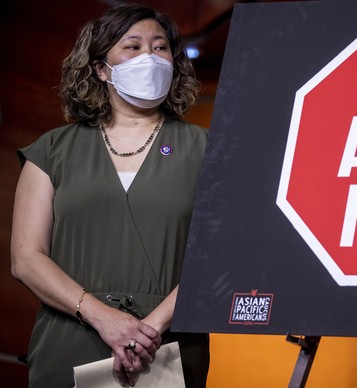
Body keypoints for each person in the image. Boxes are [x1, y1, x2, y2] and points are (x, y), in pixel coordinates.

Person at [10, 4, 210, 387]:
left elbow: (220, 257)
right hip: (70, 336)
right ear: (102, 69)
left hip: (165, 345)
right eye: (132, 47)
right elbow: (26, 258)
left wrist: (148, 329)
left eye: (160, 47)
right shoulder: (52, 149)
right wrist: (105, 318)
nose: (149, 57)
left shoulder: (206, 149)